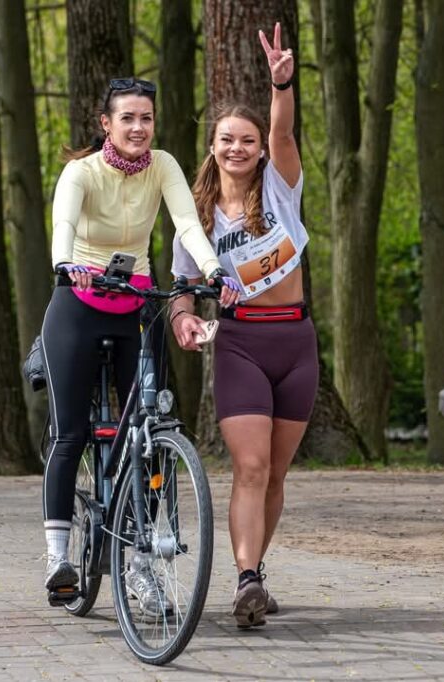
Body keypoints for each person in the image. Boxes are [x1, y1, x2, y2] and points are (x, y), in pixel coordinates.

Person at [40, 77, 239, 612]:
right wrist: (66, 265)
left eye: (146, 118)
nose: (137, 127)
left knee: (144, 433)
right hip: (78, 300)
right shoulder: (81, 172)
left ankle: (140, 568)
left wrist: (215, 268)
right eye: (127, 118)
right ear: (106, 123)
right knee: (70, 431)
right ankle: (59, 558)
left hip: (135, 304)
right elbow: (62, 222)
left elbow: (188, 225)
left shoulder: (165, 166)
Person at [169, 23, 318, 628]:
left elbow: (283, 126)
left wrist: (282, 83)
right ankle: (246, 579)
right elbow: (180, 288)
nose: (238, 148)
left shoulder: (281, 191)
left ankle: (256, 570)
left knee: (276, 474)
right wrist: (184, 321)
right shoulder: (195, 218)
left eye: (247, 140)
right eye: (226, 139)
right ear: (212, 146)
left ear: (260, 149)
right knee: (251, 467)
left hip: (297, 343)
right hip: (241, 345)